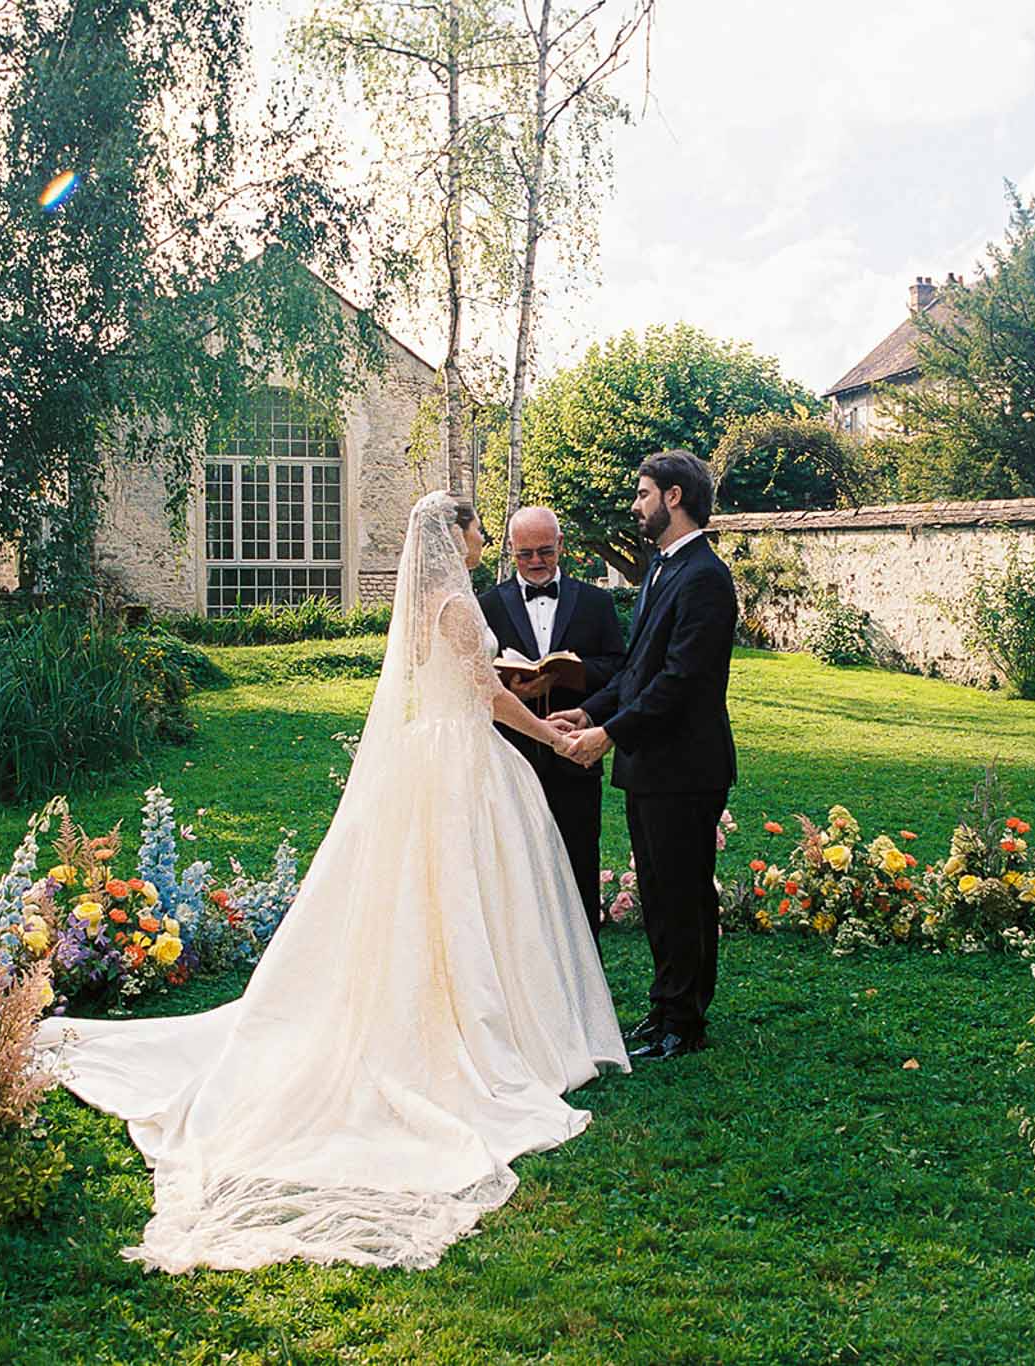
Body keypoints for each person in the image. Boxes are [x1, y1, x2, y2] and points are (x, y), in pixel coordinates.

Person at [37, 492, 627, 1273]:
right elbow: (483, 695)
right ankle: (479, 1025)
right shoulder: (456, 603)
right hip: (464, 760)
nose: (487, 539)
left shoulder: (432, 600)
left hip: (439, 755)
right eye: (481, 528)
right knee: (464, 893)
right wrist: (548, 730)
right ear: (458, 537)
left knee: (441, 895)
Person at [552, 451, 738, 1062]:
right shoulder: (664, 567)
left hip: (685, 767)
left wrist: (608, 736)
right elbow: (638, 668)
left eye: (642, 493)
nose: (635, 505)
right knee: (659, 894)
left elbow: (681, 680)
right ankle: (664, 1010)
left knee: (683, 896)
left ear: (674, 497)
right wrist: (591, 711)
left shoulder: (706, 577)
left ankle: (684, 1023)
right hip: (652, 767)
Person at [476, 506, 627, 940]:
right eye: (526, 554)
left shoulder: (596, 601)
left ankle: (584, 966)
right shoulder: (487, 604)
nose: (537, 562)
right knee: (513, 864)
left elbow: (618, 666)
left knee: (578, 858)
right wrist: (513, 688)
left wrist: (575, 674)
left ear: (561, 545)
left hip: (576, 748)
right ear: (511, 550)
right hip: (510, 754)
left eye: (545, 551)